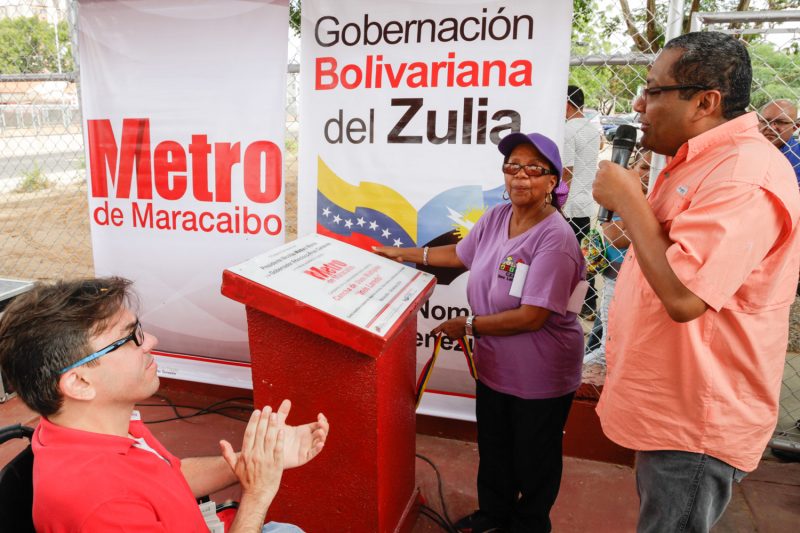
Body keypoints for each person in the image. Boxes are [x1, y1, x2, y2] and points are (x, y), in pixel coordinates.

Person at [592, 31, 800, 532]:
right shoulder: (699, 161)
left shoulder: (742, 175)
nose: (639, 105)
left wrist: (630, 200)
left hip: (697, 423)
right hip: (671, 407)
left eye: (653, 90)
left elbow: (685, 296)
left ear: (706, 101)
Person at [0, 277, 330, 533]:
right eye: (129, 339)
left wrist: (252, 462)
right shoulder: (101, 505)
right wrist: (257, 493)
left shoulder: (97, 424)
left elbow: (170, 476)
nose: (151, 342)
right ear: (79, 383)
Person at [376, 132, 585, 533]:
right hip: (496, 365)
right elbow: (458, 255)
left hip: (540, 374)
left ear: (553, 182)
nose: (520, 176)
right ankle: (493, 516)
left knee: (534, 458)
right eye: (512, 167)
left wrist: (467, 325)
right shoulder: (496, 217)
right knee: (495, 448)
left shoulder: (555, 239)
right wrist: (403, 253)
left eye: (534, 169)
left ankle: (528, 525)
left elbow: (531, 317)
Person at [584, 149, 650, 367]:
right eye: (644, 167)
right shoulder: (620, 195)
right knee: (606, 343)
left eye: (656, 169)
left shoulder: (663, 197)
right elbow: (617, 237)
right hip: (617, 278)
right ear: (631, 170)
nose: (649, 174)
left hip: (647, 285)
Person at [563, 85, 602, 322]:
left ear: (566, 105)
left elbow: (567, 171)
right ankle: (588, 303)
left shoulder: (568, 130)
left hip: (568, 204)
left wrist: (556, 202)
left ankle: (577, 303)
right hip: (585, 202)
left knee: (567, 258)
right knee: (581, 257)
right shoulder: (591, 129)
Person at [759, 99, 799, 185]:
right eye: (765, 121)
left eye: (780, 122)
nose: (770, 127)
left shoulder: (797, 157)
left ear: (795, 127)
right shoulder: (748, 149)